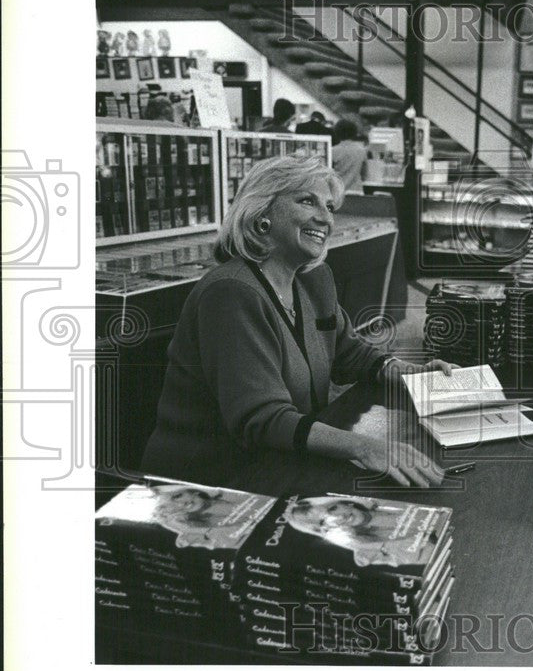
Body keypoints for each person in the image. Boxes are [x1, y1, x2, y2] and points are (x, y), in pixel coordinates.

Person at [141, 155, 453, 488]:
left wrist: (408, 372)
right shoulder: (230, 292)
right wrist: (365, 447)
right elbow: (261, 419)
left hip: (280, 460)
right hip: (209, 480)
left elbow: (351, 354)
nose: (325, 219)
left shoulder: (313, 280)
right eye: (307, 201)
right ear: (262, 213)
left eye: (330, 207)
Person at [285, 496, 433, 568]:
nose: (339, 518)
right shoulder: (364, 553)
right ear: (325, 530)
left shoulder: (386, 502)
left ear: (344, 502)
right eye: (324, 522)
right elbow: (427, 554)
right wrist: (360, 544)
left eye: (332, 508)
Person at [329, 117, 368, 192]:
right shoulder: (361, 150)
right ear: (354, 132)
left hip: (338, 192)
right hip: (356, 191)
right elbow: (364, 174)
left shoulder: (332, 151)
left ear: (337, 132)